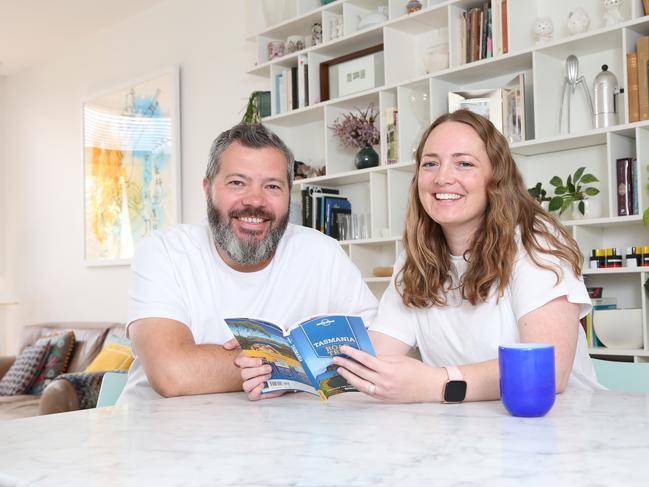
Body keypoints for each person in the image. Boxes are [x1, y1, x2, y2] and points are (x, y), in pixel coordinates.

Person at [329, 110, 601, 402]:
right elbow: (377, 355)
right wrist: (296, 370)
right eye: (430, 163)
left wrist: (437, 383)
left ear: (495, 177)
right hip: (468, 433)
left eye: (464, 163)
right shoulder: (415, 258)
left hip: (561, 426)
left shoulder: (536, 241)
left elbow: (547, 371)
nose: (443, 178)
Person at [117, 123, 377, 404]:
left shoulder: (322, 252)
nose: (255, 200)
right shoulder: (164, 251)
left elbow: (377, 347)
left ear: (290, 194)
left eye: (272, 186)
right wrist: (294, 361)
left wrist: (282, 365)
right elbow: (172, 373)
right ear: (208, 189)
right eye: (237, 183)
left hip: (276, 437)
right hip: (157, 438)